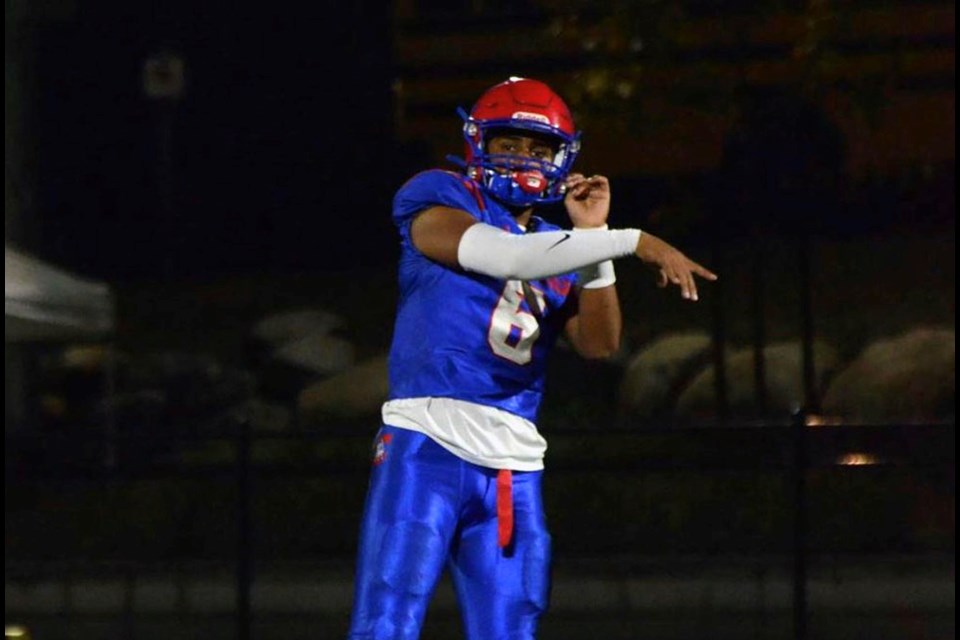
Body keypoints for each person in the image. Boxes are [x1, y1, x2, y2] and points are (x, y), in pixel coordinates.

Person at [347, 76, 717, 639]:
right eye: (510, 143)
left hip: (514, 463)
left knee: (511, 629)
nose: (523, 157)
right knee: (387, 620)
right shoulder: (441, 195)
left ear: (563, 157)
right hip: (426, 444)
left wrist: (591, 238)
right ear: (479, 142)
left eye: (539, 148)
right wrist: (631, 238)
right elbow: (504, 255)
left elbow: (600, 344)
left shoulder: (558, 245)